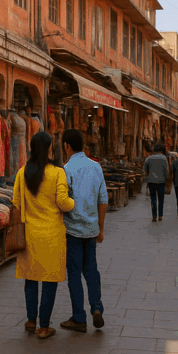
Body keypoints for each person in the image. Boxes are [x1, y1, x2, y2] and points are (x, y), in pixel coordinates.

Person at [12, 131, 75, 339]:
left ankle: (31, 320)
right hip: (51, 235)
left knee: (30, 279)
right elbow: (64, 204)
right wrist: (75, 203)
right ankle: (44, 326)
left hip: (29, 234)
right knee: (49, 281)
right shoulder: (57, 172)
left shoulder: (22, 172)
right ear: (49, 149)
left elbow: (16, 204)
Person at [59, 129, 107, 333]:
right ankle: (96, 307)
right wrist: (101, 229)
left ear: (66, 146)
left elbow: (62, 201)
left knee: (74, 274)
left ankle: (79, 317)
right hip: (91, 229)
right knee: (91, 270)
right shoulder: (96, 167)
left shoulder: (66, 169)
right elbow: (103, 200)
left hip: (72, 231)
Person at [143, 144, 169, 222]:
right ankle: (160, 215)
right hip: (161, 182)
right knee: (161, 199)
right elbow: (166, 171)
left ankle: (154, 216)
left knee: (153, 199)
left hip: (151, 182)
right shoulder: (164, 158)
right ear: (161, 150)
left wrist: (148, 175)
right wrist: (167, 179)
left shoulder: (149, 158)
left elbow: (145, 169)